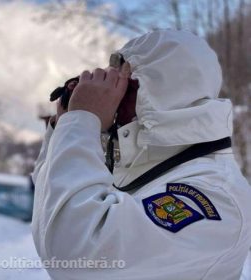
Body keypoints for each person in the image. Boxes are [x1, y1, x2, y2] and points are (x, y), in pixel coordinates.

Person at [31, 29, 251, 279]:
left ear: (160, 92)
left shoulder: (216, 195)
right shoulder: (144, 162)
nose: (114, 95)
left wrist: (82, 120)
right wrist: (64, 127)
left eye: (125, 83)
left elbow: (74, 256)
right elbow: (52, 204)